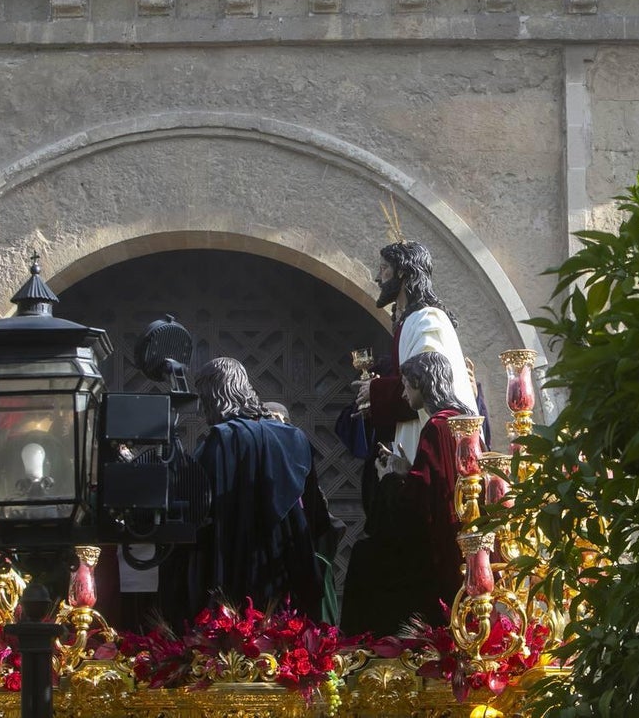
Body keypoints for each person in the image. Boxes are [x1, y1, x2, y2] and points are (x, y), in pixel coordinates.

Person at [182, 357, 333, 621]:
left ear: (215, 396)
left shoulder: (220, 441)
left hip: (231, 566)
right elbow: (315, 513)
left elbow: (194, 510)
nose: (202, 411)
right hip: (285, 567)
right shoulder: (294, 437)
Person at [341, 351, 472, 636]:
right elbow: (436, 480)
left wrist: (388, 478)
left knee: (365, 561)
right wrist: (404, 469)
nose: (401, 395)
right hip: (459, 533)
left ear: (420, 383)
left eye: (405, 386)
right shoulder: (463, 419)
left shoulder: (437, 426)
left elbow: (418, 500)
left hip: (436, 544)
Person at [355, 241, 476, 463]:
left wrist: (375, 390)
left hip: (433, 437)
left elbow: (430, 383)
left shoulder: (427, 319)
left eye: (384, 268)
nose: (377, 278)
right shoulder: (410, 321)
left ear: (402, 271)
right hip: (415, 431)